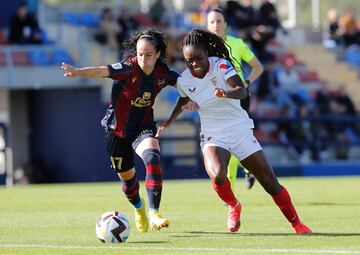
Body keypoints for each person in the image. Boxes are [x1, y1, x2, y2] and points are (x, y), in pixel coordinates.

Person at [157, 29, 312, 234]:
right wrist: (169, 121)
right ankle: (234, 205)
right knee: (218, 175)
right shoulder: (184, 79)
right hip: (213, 133)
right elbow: (184, 98)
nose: (193, 64)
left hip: (239, 129)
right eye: (188, 60)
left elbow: (242, 91)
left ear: (206, 53)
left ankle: (297, 224)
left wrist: (225, 93)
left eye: (198, 58)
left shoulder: (221, 65)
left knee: (270, 184)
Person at [61, 29, 178, 233]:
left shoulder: (163, 73)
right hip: (117, 131)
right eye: (140, 54)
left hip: (143, 126)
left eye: (148, 54)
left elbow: (185, 84)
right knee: (129, 183)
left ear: (158, 53)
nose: (143, 58)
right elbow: (101, 70)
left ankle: (154, 212)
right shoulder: (127, 68)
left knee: (152, 158)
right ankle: (139, 207)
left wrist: (196, 96)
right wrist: (78, 72)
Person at [206, 8, 264, 190]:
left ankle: (230, 183)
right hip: (216, 99)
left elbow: (258, 67)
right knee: (224, 141)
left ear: (226, 24)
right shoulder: (203, 48)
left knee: (233, 139)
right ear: (207, 26)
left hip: (238, 97)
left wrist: (246, 82)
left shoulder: (237, 43)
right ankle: (249, 169)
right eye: (212, 22)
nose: (216, 25)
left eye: (219, 21)